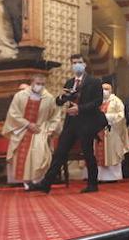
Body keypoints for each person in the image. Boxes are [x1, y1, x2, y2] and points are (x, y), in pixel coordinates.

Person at [27, 54, 107, 194]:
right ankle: (46, 184)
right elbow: (59, 102)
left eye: (79, 62)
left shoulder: (94, 81)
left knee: (88, 153)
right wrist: (61, 98)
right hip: (71, 124)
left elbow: (98, 102)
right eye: (74, 62)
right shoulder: (69, 83)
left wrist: (80, 108)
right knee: (60, 153)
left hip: (87, 122)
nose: (76, 65)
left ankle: (92, 184)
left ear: (85, 64)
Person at [4, 75, 58, 186]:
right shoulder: (19, 96)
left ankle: (38, 181)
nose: (40, 86)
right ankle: (27, 183)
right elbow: (13, 114)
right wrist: (27, 124)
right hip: (22, 129)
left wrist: (50, 129)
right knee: (23, 157)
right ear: (32, 82)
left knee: (40, 156)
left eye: (43, 84)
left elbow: (54, 116)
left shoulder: (49, 98)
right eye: (38, 83)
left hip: (40, 130)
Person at [95, 80, 129, 182]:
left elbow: (121, 116)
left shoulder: (116, 101)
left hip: (112, 131)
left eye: (107, 89)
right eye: (103, 89)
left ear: (111, 90)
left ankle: (114, 177)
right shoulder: (98, 101)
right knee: (98, 154)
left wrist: (107, 117)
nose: (104, 91)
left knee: (112, 154)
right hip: (99, 132)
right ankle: (100, 177)